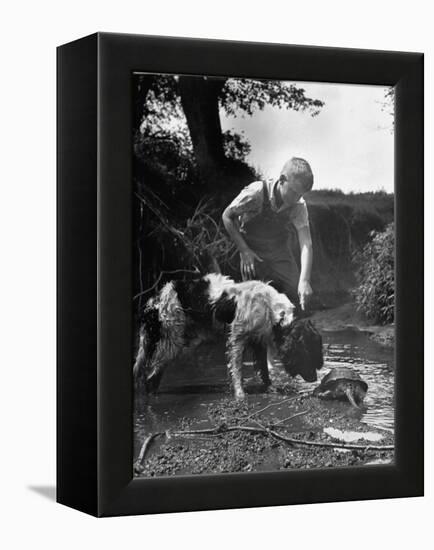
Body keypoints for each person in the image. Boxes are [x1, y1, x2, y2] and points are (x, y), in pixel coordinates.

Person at [222, 157, 314, 313]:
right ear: (282, 179)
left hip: (279, 249)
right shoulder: (256, 192)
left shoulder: (298, 205)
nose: (295, 199)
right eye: (292, 192)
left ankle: (284, 325)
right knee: (254, 298)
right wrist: (244, 250)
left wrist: (304, 280)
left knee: (295, 292)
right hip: (252, 248)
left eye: (299, 195)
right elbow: (227, 216)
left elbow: (306, 244)